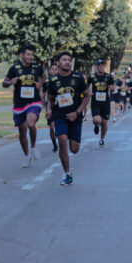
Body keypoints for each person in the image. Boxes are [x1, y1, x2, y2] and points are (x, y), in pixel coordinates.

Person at [45, 52, 91, 185]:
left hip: (75, 116)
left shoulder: (78, 77)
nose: (67, 62)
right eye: (64, 60)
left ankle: (72, 136)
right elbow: (51, 98)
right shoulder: (53, 81)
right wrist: (49, 110)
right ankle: (67, 173)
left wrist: (77, 112)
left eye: (69, 60)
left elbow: (87, 95)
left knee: (74, 149)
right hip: (60, 116)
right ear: (58, 63)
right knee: (62, 141)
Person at [2, 45, 46, 168]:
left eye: (32, 55)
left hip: (34, 101)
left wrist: (40, 85)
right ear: (22, 55)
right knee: (22, 132)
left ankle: (33, 147)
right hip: (19, 104)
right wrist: (11, 82)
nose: (30, 57)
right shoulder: (14, 68)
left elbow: (43, 76)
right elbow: (4, 83)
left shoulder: (36, 67)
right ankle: (27, 155)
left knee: (31, 123)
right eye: (28, 54)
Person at [88, 59, 115, 147]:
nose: (101, 67)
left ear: (104, 66)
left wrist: (111, 88)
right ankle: (96, 125)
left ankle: (102, 139)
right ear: (96, 67)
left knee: (104, 123)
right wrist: (89, 92)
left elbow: (113, 88)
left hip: (105, 102)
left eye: (102, 65)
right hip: (95, 102)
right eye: (99, 65)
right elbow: (86, 86)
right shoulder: (92, 77)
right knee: (96, 120)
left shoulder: (109, 77)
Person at [47, 62, 60, 153]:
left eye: (56, 69)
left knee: (60, 125)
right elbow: (44, 94)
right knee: (52, 127)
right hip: (51, 107)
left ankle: (62, 141)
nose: (54, 71)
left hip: (62, 107)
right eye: (52, 69)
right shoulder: (47, 82)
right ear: (49, 70)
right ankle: (55, 144)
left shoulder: (62, 80)